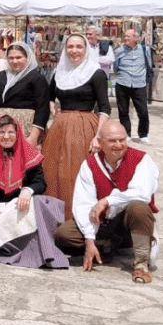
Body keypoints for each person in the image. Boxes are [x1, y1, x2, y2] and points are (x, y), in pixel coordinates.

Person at [55, 120, 159, 283]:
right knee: (64, 234)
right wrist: (89, 240)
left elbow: (142, 193)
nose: (118, 145)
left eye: (122, 139)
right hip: (103, 223)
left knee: (139, 207)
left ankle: (141, 263)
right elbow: (83, 204)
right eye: (112, 141)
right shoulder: (90, 164)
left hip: (128, 222)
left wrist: (107, 200)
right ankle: (106, 246)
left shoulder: (142, 159)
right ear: (100, 142)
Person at [0, 115, 69, 269]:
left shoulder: (28, 153)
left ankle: (34, 252)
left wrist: (27, 191)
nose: (6, 136)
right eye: (1, 132)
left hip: (21, 207)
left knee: (40, 203)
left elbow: (40, 182)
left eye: (11, 132)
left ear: (17, 133)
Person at [44, 33, 110, 220]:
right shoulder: (59, 72)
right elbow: (49, 95)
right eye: (70, 47)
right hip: (60, 127)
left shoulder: (95, 73)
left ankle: (79, 217)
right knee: (54, 171)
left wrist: (98, 136)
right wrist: (52, 108)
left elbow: (104, 107)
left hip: (84, 127)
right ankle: (56, 216)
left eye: (79, 47)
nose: (74, 51)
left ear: (86, 49)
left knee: (76, 173)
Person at [0, 43, 49, 146]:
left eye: (19, 57)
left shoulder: (36, 78)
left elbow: (42, 108)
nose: (14, 61)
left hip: (25, 130)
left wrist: (33, 137)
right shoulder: (1, 76)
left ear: (27, 58)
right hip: (1, 130)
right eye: (11, 58)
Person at [112, 29, 156, 143]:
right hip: (122, 83)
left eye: (128, 36)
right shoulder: (119, 51)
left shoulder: (145, 50)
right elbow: (115, 67)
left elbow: (149, 64)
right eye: (125, 36)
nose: (125, 38)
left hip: (139, 84)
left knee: (143, 111)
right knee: (123, 112)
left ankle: (143, 134)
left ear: (136, 38)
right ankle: (126, 134)